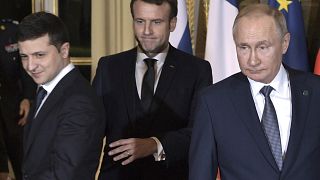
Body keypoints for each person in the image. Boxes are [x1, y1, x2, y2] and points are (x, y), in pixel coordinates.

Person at [189, 4, 320, 180]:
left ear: (285, 44)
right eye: (243, 47)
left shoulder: (316, 90)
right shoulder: (213, 102)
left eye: (262, 47)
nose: (252, 60)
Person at [92, 0, 212, 179]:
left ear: (172, 24)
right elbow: (91, 129)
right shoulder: (109, 66)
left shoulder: (197, 70)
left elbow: (200, 131)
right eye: (140, 21)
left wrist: (154, 144)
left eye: (156, 22)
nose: (146, 31)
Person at [17, 12, 105, 180]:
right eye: (24, 56)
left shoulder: (79, 102)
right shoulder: (45, 89)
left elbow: (65, 174)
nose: (30, 66)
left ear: (64, 51)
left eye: (39, 55)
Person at [0, 19, 36, 180]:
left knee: (22, 162)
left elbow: (25, 67)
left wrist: (27, 98)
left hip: (13, 106)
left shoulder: (11, 31)